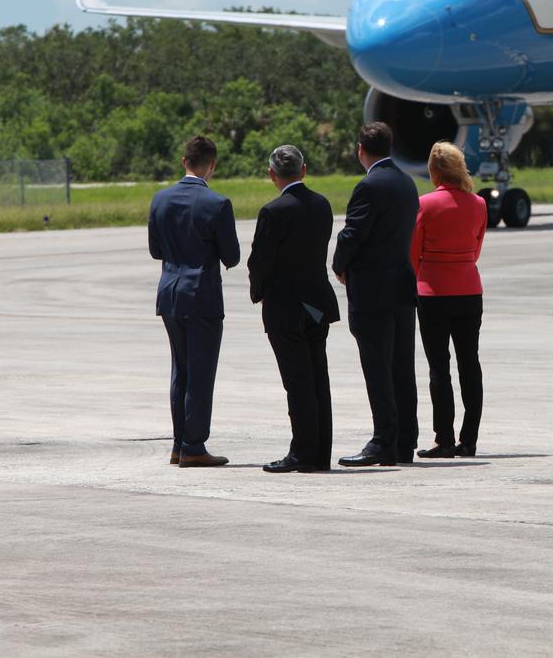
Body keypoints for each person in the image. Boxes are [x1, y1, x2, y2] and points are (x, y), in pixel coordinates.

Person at [148, 135, 240, 468]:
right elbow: (232, 256)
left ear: (184, 162)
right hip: (201, 294)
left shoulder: (160, 200)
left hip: (170, 292)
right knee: (201, 373)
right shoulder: (217, 203)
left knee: (180, 371)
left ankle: (177, 443)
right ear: (211, 166)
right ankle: (194, 445)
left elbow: (156, 250)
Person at [247, 145, 340, 473]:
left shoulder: (273, 211)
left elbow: (259, 262)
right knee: (318, 377)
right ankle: (320, 452)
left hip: (286, 307)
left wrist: (257, 293)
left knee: (297, 381)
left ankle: (301, 451)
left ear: (273, 174)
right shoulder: (322, 205)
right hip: (316, 304)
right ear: (304, 170)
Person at [332, 122, 420, 467]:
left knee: (377, 366)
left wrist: (339, 265)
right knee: (401, 366)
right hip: (401, 285)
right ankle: (404, 441)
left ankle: (384, 439)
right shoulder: (406, 182)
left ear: (360, 150)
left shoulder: (369, 185)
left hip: (373, 290)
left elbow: (353, 234)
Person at [411, 142, 488, 459]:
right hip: (469, 290)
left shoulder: (425, 204)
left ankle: (444, 439)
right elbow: (477, 249)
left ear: (434, 171)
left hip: (434, 292)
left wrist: (425, 275)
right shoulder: (479, 203)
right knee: (470, 364)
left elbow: (413, 252)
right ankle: (469, 440)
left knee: (438, 368)